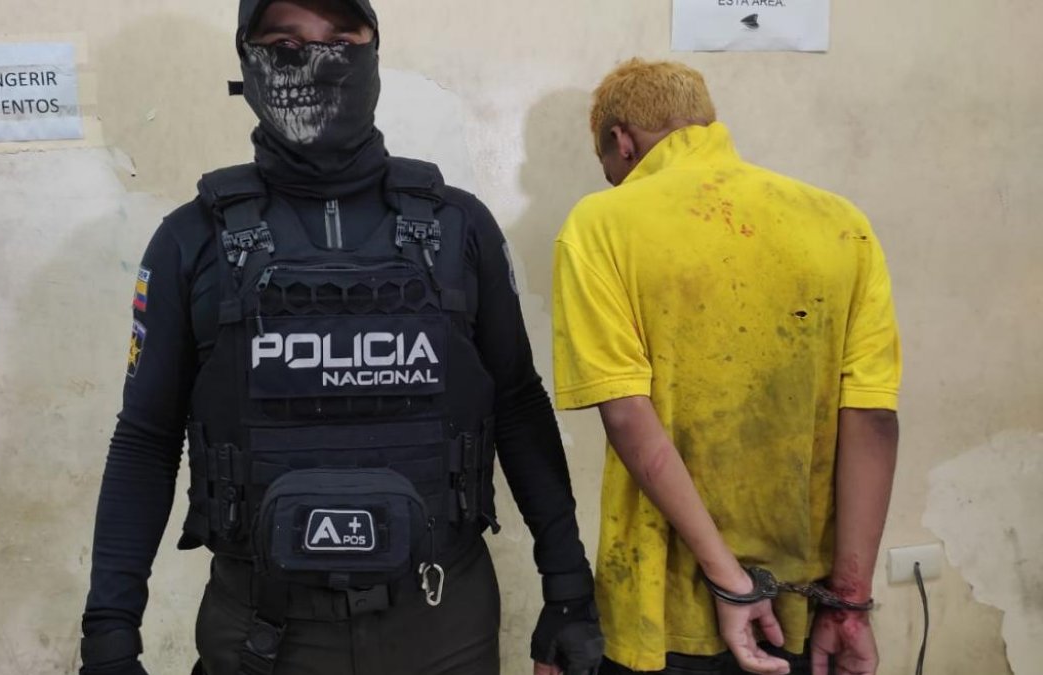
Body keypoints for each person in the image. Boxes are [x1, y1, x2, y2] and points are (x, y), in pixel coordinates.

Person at [79, 1, 603, 674]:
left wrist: (568, 590)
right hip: (262, 633)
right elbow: (146, 440)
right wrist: (110, 632)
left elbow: (519, 409)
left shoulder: (460, 230)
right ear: (248, 59)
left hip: (441, 624)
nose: (318, 60)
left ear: (374, 52)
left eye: (341, 39)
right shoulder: (191, 240)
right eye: (286, 42)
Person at [551, 60, 901, 675]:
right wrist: (848, 604)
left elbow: (629, 415)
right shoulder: (843, 223)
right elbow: (871, 415)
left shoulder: (600, 224)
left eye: (611, 167)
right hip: (804, 608)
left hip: (667, 611)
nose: (614, 179)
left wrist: (731, 582)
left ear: (621, 139)